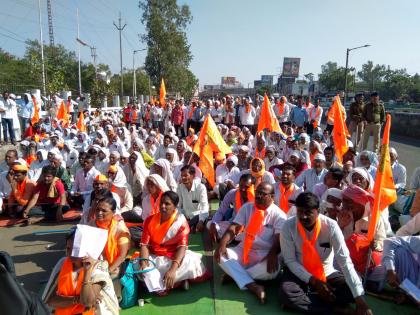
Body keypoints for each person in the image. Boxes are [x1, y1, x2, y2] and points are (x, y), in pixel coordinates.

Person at [279, 192, 372, 315]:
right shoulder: (288, 226)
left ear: (318, 211)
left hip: (326, 272)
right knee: (286, 292)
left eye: (308, 212)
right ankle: (335, 309)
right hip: (299, 272)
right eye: (300, 212)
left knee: (354, 287)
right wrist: (314, 282)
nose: (303, 217)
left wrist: (360, 301)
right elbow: (290, 261)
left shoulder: (331, 226)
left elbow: (345, 262)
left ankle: (311, 302)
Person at [215, 182, 286, 303]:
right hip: (244, 249)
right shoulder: (247, 207)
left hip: (266, 253)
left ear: (272, 197)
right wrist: (222, 243)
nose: (258, 196)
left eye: (263, 194)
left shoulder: (279, 215)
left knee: (271, 272)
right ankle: (254, 286)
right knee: (221, 255)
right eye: (257, 192)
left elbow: (278, 240)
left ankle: (235, 275)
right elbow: (234, 228)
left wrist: (273, 254)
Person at [139, 191, 208, 293]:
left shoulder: (181, 222)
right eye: (161, 203)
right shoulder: (150, 220)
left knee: (191, 261)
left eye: (167, 204)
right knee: (137, 266)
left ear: (175, 206)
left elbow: (182, 247)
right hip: (154, 257)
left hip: (173, 258)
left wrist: (172, 270)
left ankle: (166, 283)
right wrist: (144, 262)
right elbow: (144, 244)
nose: (162, 206)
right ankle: (178, 282)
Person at [42, 228, 119, 315]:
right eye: (68, 248)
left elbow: (87, 302)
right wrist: (76, 299)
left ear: (87, 248)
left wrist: (87, 272)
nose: (69, 253)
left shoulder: (99, 266)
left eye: (75, 249)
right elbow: (50, 300)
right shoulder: (63, 263)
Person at [89, 196, 130, 292]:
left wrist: (108, 271)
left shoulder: (120, 229)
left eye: (104, 211)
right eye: (98, 209)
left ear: (113, 212)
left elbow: (122, 255)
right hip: (95, 263)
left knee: (103, 281)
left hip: (115, 265)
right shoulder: (91, 225)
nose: (99, 213)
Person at [208, 174, 254, 243]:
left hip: (248, 229)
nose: (243, 189)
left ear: (252, 187)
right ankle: (231, 238)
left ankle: (231, 238)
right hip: (232, 225)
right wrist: (214, 223)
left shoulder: (257, 199)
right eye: (241, 186)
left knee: (252, 237)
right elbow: (221, 211)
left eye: (247, 187)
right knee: (209, 224)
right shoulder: (233, 193)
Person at [177, 165, 209, 232]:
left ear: (193, 176)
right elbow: (178, 206)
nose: (183, 178)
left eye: (185, 175)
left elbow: (205, 207)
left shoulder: (201, 187)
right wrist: (180, 217)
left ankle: (189, 226)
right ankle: (188, 226)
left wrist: (201, 221)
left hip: (198, 217)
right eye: (182, 176)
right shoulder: (180, 187)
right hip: (185, 217)